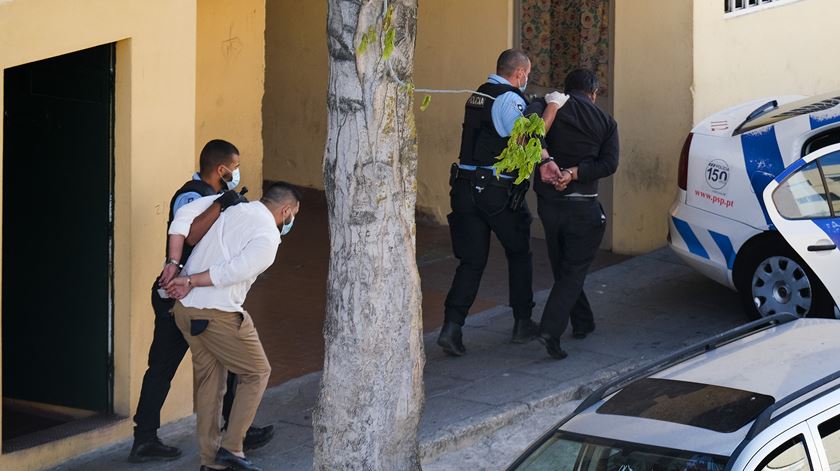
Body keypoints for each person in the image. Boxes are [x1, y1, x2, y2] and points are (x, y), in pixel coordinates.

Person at [129, 140, 274, 463]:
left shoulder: (220, 197)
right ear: (222, 169)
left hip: (202, 294)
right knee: (163, 367)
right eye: (234, 169)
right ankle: (145, 438)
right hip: (179, 294)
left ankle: (235, 433)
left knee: (226, 369)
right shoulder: (193, 195)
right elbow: (191, 235)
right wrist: (223, 205)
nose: (236, 174)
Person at [163, 182, 301, 471]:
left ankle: (209, 462)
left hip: (186, 310)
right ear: (286, 210)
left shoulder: (233, 205)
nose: (290, 222)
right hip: (217, 312)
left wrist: (173, 263)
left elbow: (183, 216)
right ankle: (232, 448)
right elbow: (232, 272)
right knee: (257, 372)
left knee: (211, 384)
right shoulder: (268, 236)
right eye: (293, 216)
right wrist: (190, 280)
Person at [437, 49, 540, 357]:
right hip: (494, 191)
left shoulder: (477, 95)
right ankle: (523, 322)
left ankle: (451, 327)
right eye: (527, 75)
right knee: (519, 251)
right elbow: (524, 139)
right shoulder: (510, 99)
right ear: (520, 74)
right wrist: (543, 111)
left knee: (471, 261)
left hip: (464, 188)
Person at [529, 69, 619, 360]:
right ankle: (550, 330)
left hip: (549, 207)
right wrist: (575, 172)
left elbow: (529, 134)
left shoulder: (546, 105)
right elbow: (609, 164)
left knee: (564, 267)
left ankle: (583, 321)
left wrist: (551, 161)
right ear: (593, 93)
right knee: (573, 271)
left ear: (566, 90)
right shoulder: (606, 122)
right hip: (584, 206)